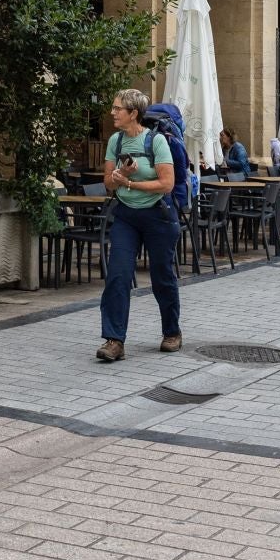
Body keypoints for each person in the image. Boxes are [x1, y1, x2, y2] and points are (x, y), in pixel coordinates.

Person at [96, 88, 180, 363]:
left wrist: (131, 183)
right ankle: (114, 340)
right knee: (118, 275)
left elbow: (167, 184)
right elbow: (108, 183)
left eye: (117, 108)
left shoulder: (156, 141)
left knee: (162, 276)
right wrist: (121, 174)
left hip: (158, 216)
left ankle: (172, 332)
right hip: (126, 216)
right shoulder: (116, 141)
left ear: (133, 113)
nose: (112, 112)